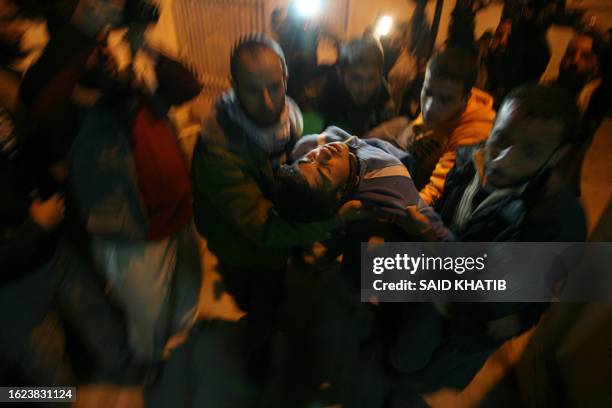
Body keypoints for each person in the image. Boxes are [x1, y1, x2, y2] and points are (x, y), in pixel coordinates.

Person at [191, 34, 362, 383]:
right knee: (259, 312)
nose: (268, 101)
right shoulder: (218, 150)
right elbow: (262, 226)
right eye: (254, 90)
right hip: (244, 252)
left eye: (274, 86)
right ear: (233, 85)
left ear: (286, 77)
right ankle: (257, 368)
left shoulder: (293, 117)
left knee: (280, 297)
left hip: (282, 242)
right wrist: (331, 220)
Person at [365, 47, 495, 206]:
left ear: (465, 99)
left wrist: (395, 212)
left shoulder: (474, 133)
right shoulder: (443, 108)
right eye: (427, 92)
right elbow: (411, 140)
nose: (430, 107)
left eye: (445, 100)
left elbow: (436, 191)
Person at [555, 28, 611, 194]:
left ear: (597, 65)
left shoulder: (596, 98)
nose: (575, 60)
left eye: (586, 56)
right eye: (571, 53)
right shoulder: (551, 89)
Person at [313, 36, 396, 137]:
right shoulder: (325, 97)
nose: (364, 88)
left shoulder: (383, 91)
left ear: (379, 76)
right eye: (356, 79)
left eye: (371, 79)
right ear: (341, 75)